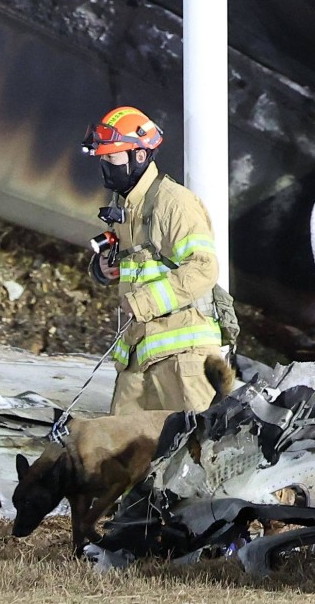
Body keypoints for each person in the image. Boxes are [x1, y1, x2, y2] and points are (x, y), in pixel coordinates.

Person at [82, 105, 224, 414]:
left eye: (112, 157)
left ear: (140, 156)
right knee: (122, 453)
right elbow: (141, 264)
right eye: (104, 158)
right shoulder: (127, 206)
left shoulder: (174, 203)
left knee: (196, 448)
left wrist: (144, 301)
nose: (106, 165)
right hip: (141, 353)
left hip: (183, 354)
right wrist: (107, 269)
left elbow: (203, 267)